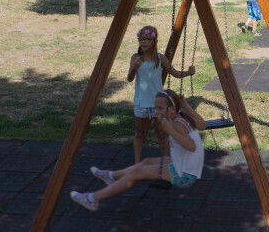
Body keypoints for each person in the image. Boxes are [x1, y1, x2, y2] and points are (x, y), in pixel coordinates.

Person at [70, 89, 206, 211]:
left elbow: (191, 146)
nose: (156, 112)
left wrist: (170, 130)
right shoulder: (182, 115)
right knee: (147, 161)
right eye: (155, 108)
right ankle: (111, 176)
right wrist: (186, 106)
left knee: (136, 173)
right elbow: (203, 124)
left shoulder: (176, 124)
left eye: (160, 108)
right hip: (186, 165)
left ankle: (92, 199)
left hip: (184, 175)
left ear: (172, 108)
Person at [127, 26, 196, 164]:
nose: (144, 42)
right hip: (141, 102)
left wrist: (188, 73)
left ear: (154, 41)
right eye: (142, 39)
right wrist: (134, 67)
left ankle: (165, 162)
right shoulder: (136, 58)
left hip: (158, 105)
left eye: (148, 39)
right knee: (140, 134)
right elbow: (129, 78)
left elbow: (175, 73)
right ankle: (136, 163)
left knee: (161, 134)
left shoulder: (160, 59)